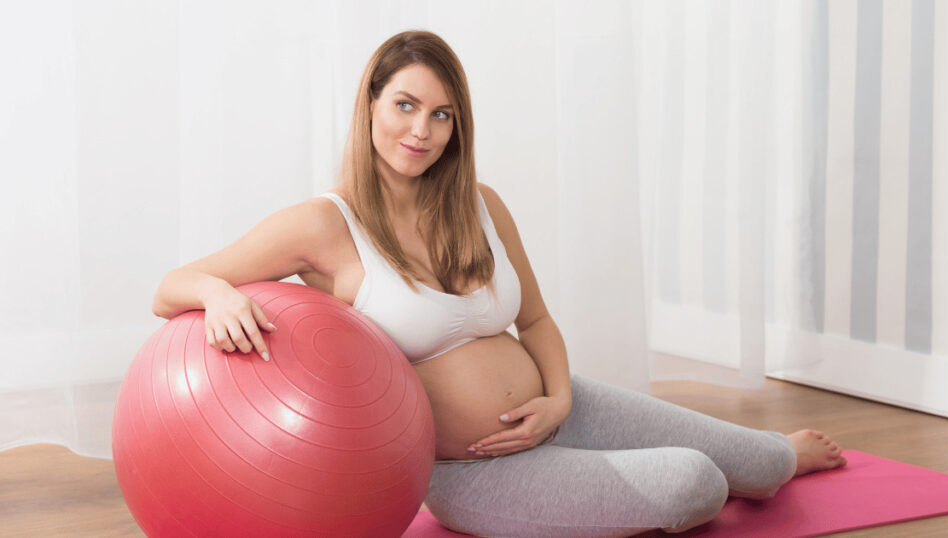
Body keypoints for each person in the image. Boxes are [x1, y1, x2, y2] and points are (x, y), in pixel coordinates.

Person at [152, 30, 847, 537]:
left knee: (760, 461)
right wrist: (218, 294)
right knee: (696, 482)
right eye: (404, 105)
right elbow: (171, 287)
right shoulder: (324, 224)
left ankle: (778, 460)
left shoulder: (480, 204)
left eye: (442, 114)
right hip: (472, 469)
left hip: (559, 411)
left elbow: (537, 321)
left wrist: (558, 399)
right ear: (369, 105)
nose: (421, 130)